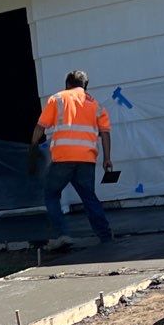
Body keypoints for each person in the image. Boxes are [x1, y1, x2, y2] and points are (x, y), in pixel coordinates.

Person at [29, 70, 113, 249]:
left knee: (51, 194)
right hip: (87, 159)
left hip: (63, 158)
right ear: (85, 86)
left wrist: (33, 148)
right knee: (89, 197)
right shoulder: (96, 105)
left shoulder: (58, 99)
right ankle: (105, 236)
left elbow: (40, 127)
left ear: (67, 83)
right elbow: (105, 133)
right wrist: (107, 159)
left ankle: (62, 235)